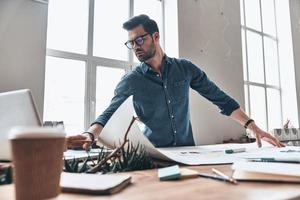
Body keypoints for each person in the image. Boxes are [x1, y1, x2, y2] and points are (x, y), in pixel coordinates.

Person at [67, 14, 284, 149]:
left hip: (190, 153)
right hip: (155, 156)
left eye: (140, 40)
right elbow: (109, 112)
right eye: (131, 43)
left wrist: (252, 127)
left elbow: (220, 99)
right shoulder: (131, 80)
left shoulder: (185, 69)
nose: (135, 47)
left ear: (156, 36)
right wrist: (89, 134)